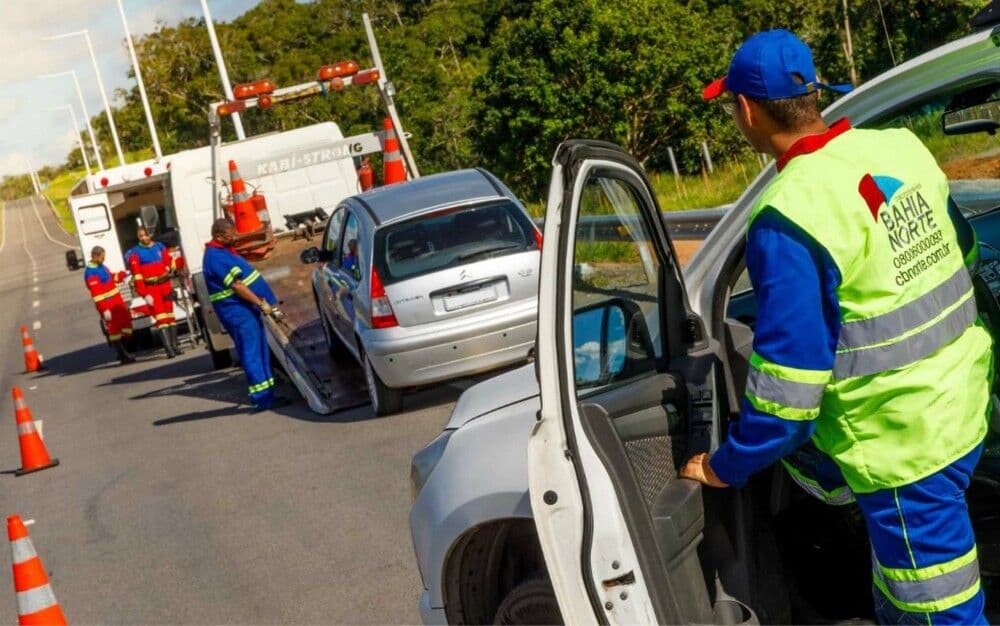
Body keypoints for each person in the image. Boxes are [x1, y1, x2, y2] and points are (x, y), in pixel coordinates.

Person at [680, 29, 993, 625]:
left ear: (746, 109)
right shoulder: (899, 149)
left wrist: (725, 467)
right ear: (815, 94)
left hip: (903, 449)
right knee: (903, 586)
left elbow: (789, 396)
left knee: (941, 609)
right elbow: (965, 254)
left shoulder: (789, 214)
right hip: (963, 400)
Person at [202, 218, 283, 411]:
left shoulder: (223, 251)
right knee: (252, 352)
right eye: (231, 234)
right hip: (238, 312)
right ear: (219, 236)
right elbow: (238, 285)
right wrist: (260, 303)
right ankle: (262, 398)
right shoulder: (215, 257)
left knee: (260, 350)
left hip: (245, 310)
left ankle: (268, 395)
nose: (235, 237)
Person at [125, 227, 182, 358]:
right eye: (140, 236)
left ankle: (175, 346)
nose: (143, 238)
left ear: (149, 234)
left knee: (170, 316)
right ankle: (169, 350)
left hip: (165, 284)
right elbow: (137, 276)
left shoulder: (159, 246)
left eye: (145, 235)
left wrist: (175, 268)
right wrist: (144, 294)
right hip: (151, 288)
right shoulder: (135, 253)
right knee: (161, 318)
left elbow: (169, 261)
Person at [83, 246, 135, 365]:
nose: (104, 258)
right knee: (114, 330)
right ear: (95, 256)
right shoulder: (91, 273)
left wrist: (123, 275)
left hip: (117, 302)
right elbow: (96, 294)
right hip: (107, 304)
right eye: (102, 257)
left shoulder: (102, 267)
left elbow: (111, 277)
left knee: (126, 326)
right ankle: (123, 356)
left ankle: (123, 352)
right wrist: (104, 309)